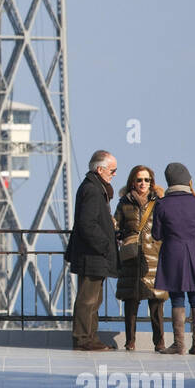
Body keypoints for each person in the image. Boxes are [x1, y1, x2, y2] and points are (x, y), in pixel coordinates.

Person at [151, 162, 195, 356]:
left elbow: (157, 234)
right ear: (187, 179)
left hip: (172, 254)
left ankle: (179, 344)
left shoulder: (162, 204)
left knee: (177, 299)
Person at [65, 149, 119, 351]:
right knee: (88, 300)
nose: (114, 174)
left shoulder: (94, 188)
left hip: (93, 255)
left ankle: (90, 337)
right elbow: (87, 224)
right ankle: (83, 339)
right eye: (112, 170)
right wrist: (105, 245)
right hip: (92, 255)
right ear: (100, 169)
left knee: (94, 300)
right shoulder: (92, 190)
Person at [114, 165, 167, 352]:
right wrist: (121, 235)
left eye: (147, 180)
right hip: (131, 257)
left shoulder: (160, 202)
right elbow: (116, 226)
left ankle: (159, 342)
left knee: (156, 304)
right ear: (132, 182)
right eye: (139, 180)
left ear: (152, 182)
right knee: (130, 303)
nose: (143, 183)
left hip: (153, 257)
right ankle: (130, 342)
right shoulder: (124, 203)